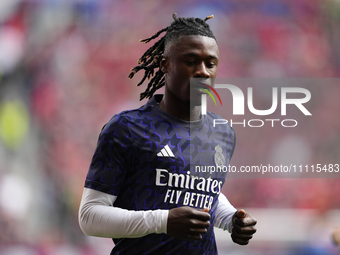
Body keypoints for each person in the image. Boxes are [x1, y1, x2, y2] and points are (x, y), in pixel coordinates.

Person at [78, 13, 257, 255]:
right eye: (191, 61)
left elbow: (205, 191)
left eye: (210, 63)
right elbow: (89, 216)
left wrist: (230, 219)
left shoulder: (222, 132)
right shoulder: (127, 128)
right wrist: (163, 221)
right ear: (165, 64)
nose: (202, 71)